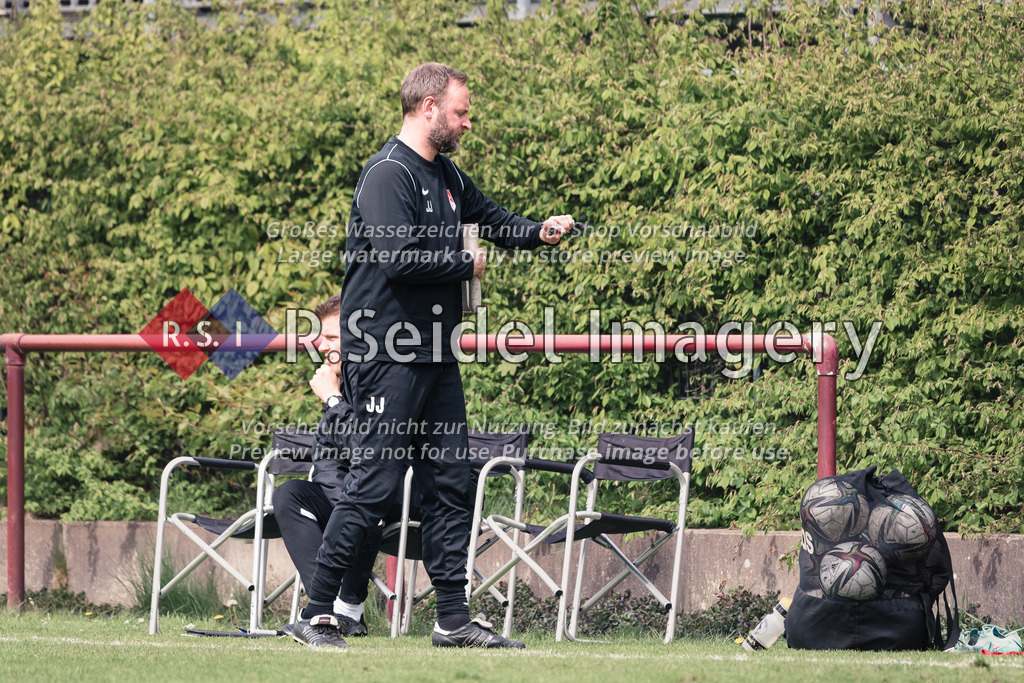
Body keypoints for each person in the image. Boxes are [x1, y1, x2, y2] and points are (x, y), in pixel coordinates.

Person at [290, 61, 574, 650]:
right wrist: (465, 264)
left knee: (452, 483)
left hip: (436, 354)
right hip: (389, 353)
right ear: (428, 109)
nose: (468, 122)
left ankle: (451, 620)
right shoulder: (386, 174)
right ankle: (315, 613)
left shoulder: (446, 175)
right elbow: (400, 261)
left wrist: (536, 232)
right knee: (370, 484)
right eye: (461, 111)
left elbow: (491, 219)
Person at [273, 293, 420, 640]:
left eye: (332, 338)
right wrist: (341, 498)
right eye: (321, 337)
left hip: (393, 498)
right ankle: (330, 609)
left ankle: (347, 609)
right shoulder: (342, 381)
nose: (321, 346)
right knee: (289, 494)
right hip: (353, 496)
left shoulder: (388, 382)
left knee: (361, 502)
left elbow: (372, 457)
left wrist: (334, 400)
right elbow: (325, 460)